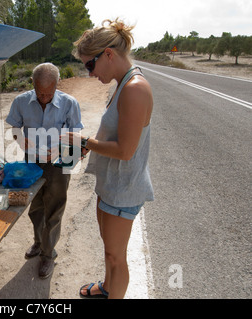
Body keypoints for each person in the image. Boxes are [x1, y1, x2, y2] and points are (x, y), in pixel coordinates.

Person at [62, 18, 154, 299]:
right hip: (112, 183)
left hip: (124, 188)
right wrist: (89, 146)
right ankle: (107, 288)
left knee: (116, 257)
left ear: (109, 54)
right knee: (109, 251)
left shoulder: (134, 89)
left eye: (90, 64)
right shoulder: (123, 83)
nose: (89, 73)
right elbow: (116, 133)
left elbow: (126, 151)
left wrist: (85, 142)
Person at [6, 62, 84, 279]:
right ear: (32, 85)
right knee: (35, 208)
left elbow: (76, 136)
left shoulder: (69, 103)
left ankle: (48, 256)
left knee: (54, 209)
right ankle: (39, 243)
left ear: (57, 85)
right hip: (32, 162)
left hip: (59, 163)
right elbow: (14, 128)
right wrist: (21, 140)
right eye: (40, 93)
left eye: (49, 93)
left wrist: (59, 149)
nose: (44, 98)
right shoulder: (21, 101)